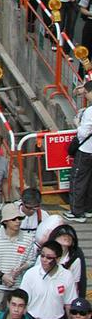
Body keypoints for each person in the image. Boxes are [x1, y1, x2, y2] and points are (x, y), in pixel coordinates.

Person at [21, 240, 75, 319]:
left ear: (58, 259)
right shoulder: (31, 274)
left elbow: (69, 304)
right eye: (42, 256)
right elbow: (23, 302)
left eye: (49, 257)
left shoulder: (67, 276)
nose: (44, 260)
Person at [0, 201, 37, 308]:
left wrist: (20, 269)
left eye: (19, 219)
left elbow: (31, 260)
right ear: (5, 221)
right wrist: (1, 275)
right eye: (14, 219)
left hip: (16, 286)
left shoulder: (28, 239)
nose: (17, 222)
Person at [67, 78, 92, 223]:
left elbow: (83, 132)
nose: (86, 96)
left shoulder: (89, 111)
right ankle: (88, 209)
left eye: (87, 93)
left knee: (78, 180)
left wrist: (78, 123)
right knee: (90, 181)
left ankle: (77, 212)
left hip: (85, 150)